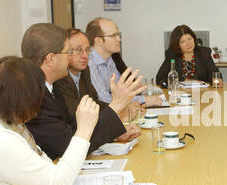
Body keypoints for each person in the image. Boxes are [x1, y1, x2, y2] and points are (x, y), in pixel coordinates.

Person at [21, 23, 144, 160]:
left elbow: (74, 128)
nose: (70, 58)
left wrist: (112, 134)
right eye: (68, 52)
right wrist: (116, 105)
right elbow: (68, 146)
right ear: (50, 59)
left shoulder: (51, 86)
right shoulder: (32, 96)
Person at [0, 56, 99, 185]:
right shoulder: (4, 139)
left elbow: (46, 166)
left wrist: (41, 183)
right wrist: (84, 130)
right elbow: (60, 180)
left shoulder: (13, 124)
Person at [53, 28, 141, 143]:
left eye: (87, 50)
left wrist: (117, 128)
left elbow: (95, 103)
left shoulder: (84, 71)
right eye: (79, 50)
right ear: (64, 52)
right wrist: (117, 114)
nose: (85, 56)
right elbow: (76, 118)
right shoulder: (60, 79)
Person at [86, 17, 161, 106]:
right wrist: (144, 100)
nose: (119, 39)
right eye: (113, 36)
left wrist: (134, 88)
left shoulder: (109, 60)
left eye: (118, 35)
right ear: (98, 41)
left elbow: (121, 93)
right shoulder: (89, 63)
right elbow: (105, 100)